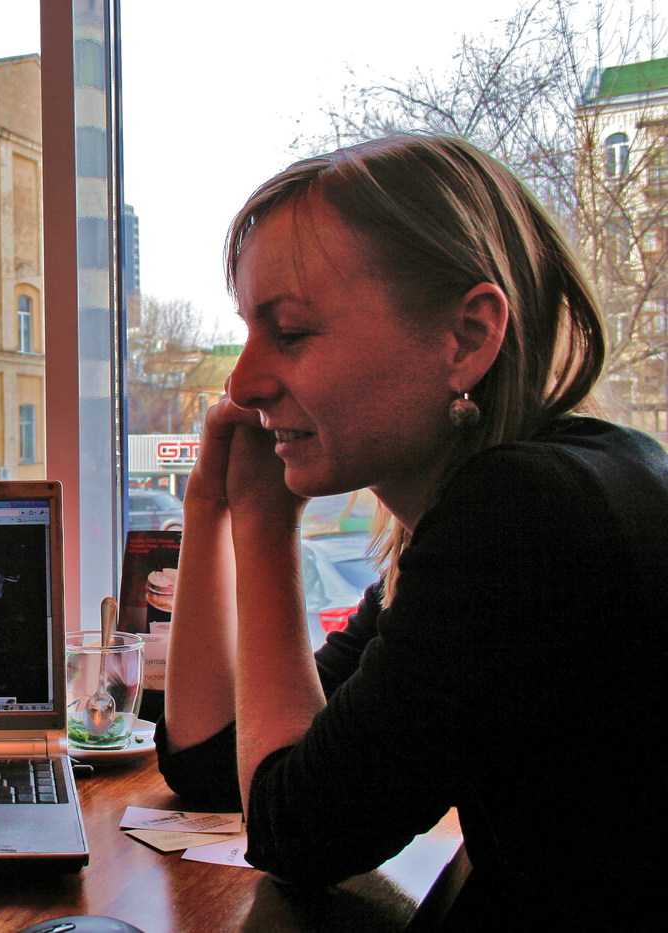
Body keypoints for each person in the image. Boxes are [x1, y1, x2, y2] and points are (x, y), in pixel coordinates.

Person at [158, 135, 668, 929]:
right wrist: (207, 507)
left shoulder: (526, 516)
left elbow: (299, 830)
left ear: (465, 337)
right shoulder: (505, 510)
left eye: (289, 332)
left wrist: (262, 521)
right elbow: (219, 764)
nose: (242, 383)